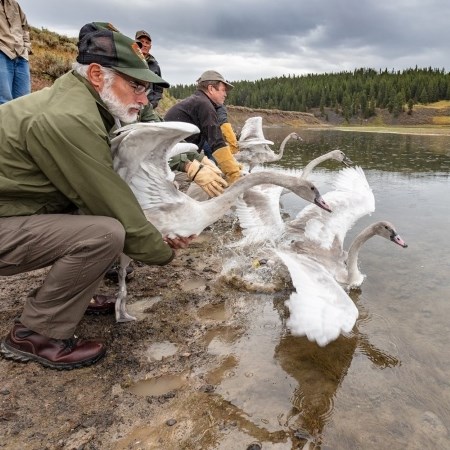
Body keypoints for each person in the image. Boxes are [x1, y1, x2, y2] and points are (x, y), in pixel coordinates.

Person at [0, 22, 197, 371]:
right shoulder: (69, 118)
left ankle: (77, 296)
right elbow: (107, 199)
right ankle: (36, 333)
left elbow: (97, 190)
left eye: (147, 88)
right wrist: (160, 247)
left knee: (95, 217)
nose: (144, 98)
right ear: (95, 74)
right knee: (104, 232)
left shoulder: (84, 105)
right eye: (136, 86)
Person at [164, 70, 241, 185]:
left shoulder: (199, 101)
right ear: (211, 88)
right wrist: (233, 172)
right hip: (170, 162)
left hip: (174, 155)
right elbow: (216, 142)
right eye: (223, 90)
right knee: (213, 181)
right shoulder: (204, 104)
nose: (225, 94)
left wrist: (231, 162)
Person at [0, 0, 31, 104]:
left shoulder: (15, 4)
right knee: (3, 101)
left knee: (24, 101)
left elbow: (25, 26)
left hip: (21, 55)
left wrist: (26, 46)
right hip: (2, 52)